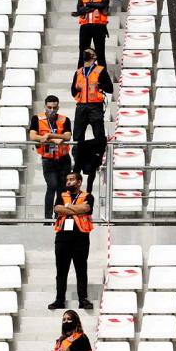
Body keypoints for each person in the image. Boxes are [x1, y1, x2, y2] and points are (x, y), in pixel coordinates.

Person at [50, 172, 94, 310]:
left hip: (81, 237)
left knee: (81, 269)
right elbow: (57, 209)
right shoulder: (61, 195)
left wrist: (67, 208)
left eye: (72, 179)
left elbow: (86, 208)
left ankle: (83, 299)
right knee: (61, 271)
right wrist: (76, 209)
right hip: (62, 238)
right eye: (67, 179)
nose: (68, 182)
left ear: (79, 182)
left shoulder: (88, 196)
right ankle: (59, 300)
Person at [70, 49, 112, 194]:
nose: (86, 53)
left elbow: (110, 88)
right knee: (77, 139)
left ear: (94, 56)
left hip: (95, 106)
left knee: (100, 139)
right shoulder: (79, 71)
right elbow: (73, 90)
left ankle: (89, 185)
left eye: (89, 52)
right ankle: (76, 174)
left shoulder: (100, 70)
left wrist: (99, 86)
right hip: (81, 107)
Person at [30, 95, 72, 220]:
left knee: (62, 189)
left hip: (64, 159)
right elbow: (33, 136)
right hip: (48, 159)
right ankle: (48, 217)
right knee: (52, 185)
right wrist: (50, 138)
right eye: (49, 107)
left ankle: (58, 215)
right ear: (45, 106)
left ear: (58, 107)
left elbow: (67, 136)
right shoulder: (36, 119)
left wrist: (49, 135)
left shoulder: (65, 119)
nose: (51, 110)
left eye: (54, 107)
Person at [71, 0, 109, 64]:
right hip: (85, 27)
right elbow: (79, 10)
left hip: (99, 27)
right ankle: (79, 77)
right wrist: (94, 6)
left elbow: (102, 5)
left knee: (100, 54)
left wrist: (88, 5)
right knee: (82, 54)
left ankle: (102, 77)